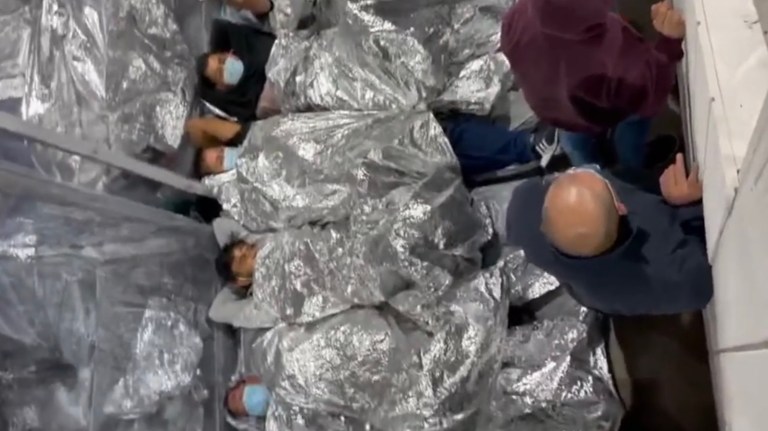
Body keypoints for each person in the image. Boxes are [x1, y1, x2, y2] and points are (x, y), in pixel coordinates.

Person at [504, 154, 713, 315]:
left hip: (590, 290)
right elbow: (702, 284)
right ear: (621, 207)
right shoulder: (664, 274)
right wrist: (686, 206)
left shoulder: (524, 207)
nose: (579, 170)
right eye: (602, 180)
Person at [500, 0, 686, 169]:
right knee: (632, 124)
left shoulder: (516, 17)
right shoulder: (612, 59)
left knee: (578, 147)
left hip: (554, 110)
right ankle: (632, 171)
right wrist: (668, 41)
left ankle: (594, 174)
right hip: (608, 106)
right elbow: (650, 93)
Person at [186, 113, 561, 179]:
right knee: (446, 163)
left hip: (361, 137)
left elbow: (206, 127)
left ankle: (526, 147)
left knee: (445, 138)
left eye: (218, 150)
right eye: (218, 162)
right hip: (361, 173)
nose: (223, 155)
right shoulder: (259, 188)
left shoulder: (256, 135)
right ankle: (526, 152)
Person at [196, 18, 277, 122]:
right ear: (221, 88)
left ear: (228, 53)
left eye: (222, 60)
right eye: (220, 73)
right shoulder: (251, 105)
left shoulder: (252, 43)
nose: (225, 66)